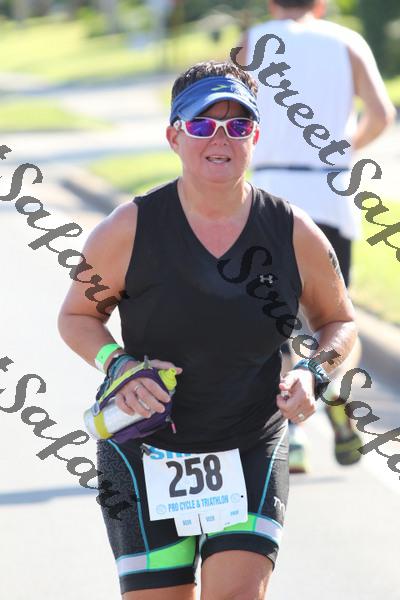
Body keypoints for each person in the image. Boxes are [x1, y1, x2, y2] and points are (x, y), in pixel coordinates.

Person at [58, 60, 357, 599]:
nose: (220, 137)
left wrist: (314, 373)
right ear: (174, 136)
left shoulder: (292, 231)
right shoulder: (128, 229)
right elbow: (77, 316)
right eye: (201, 123)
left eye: (238, 124)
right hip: (142, 448)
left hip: (250, 444)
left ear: (255, 137)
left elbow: (340, 320)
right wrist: (119, 365)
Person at [235, 0, 396, 472]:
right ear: (321, 4)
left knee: (274, 319)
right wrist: (341, 150)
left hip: (270, 193)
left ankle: (295, 433)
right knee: (335, 317)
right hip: (329, 193)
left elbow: (233, 109)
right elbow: (381, 113)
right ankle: (338, 391)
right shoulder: (347, 41)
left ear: (272, 3)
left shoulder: (254, 40)